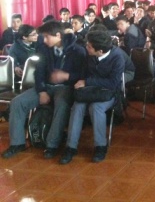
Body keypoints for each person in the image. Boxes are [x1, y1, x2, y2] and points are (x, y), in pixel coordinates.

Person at [2, 21, 86, 159]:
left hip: (65, 87)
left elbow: (83, 76)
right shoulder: (44, 49)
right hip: (45, 86)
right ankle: (17, 143)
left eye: (47, 37)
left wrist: (66, 76)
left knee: (61, 105)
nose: (44, 40)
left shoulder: (77, 51)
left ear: (58, 35)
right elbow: (39, 72)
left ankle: (51, 145)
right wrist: (41, 91)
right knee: (18, 102)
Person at [59, 31, 125, 164]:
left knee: (96, 108)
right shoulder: (89, 55)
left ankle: (100, 146)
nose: (86, 47)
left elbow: (113, 83)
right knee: (77, 106)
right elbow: (83, 74)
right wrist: (81, 81)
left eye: (89, 46)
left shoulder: (118, 57)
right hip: (89, 91)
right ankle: (71, 147)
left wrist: (88, 82)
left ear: (100, 51)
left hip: (108, 93)